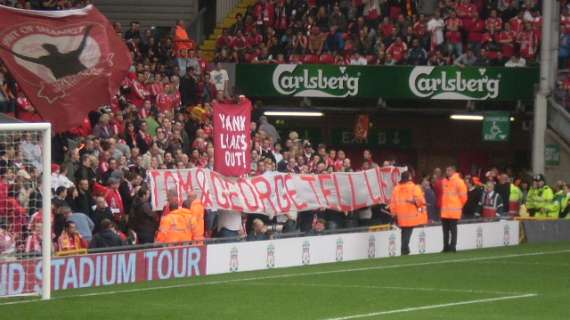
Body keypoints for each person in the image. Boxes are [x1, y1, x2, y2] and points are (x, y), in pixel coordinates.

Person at [389, 171, 427, 255]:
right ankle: (404, 249)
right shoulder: (414, 187)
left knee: (404, 232)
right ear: (409, 177)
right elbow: (420, 201)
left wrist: (394, 214)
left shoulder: (396, 189)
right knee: (407, 233)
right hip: (411, 216)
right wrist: (415, 202)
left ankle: (405, 249)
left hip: (401, 216)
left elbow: (392, 203)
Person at [440, 166, 467, 252]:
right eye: (446, 170)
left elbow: (464, 197)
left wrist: (459, 206)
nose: (447, 172)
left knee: (453, 230)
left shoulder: (459, 182)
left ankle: (453, 247)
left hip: (454, 211)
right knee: (445, 231)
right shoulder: (444, 181)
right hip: (445, 211)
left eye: (449, 170)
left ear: (454, 171)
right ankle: (445, 247)